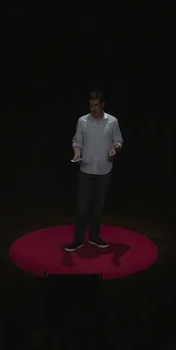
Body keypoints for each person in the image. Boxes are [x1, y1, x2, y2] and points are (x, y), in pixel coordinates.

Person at [65, 90, 124, 251]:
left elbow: (118, 141)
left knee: (98, 207)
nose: (94, 109)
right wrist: (77, 153)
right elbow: (77, 142)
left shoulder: (113, 121)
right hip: (86, 170)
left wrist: (115, 148)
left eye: (96, 105)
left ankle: (94, 237)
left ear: (103, 104)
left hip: (105, 170)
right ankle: (78, 240)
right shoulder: (82, 121)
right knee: (82, 207)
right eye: (91, 105)